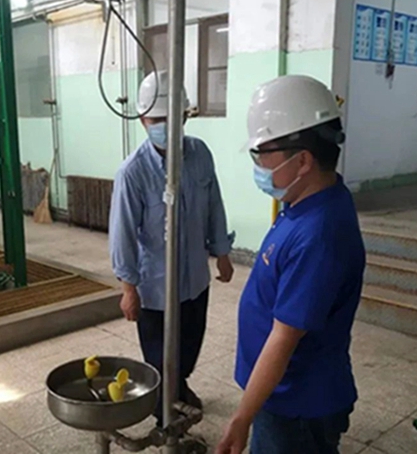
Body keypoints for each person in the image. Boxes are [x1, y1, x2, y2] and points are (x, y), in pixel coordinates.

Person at [215, 75, 365, 454]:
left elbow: (283, 339)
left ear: (302, 160)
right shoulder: (303, 202)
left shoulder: (320, 234)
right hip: (280, 392)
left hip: (296, 404)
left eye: (263, 153)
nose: (258, 164)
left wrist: (241, 418)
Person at [109, 70, 235, 423]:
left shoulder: (200, 153)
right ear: (143, 120)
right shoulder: (133, 172)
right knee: (159, 356)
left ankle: (178, 386)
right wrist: (128, 289)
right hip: (155, 288)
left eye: (172, 118)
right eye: (156, 120)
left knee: (189, 347)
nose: (164, 126)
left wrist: (222, 253)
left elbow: (214, 205)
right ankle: (165, 408)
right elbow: (122, 233)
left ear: (184, 116)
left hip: (195, 280)